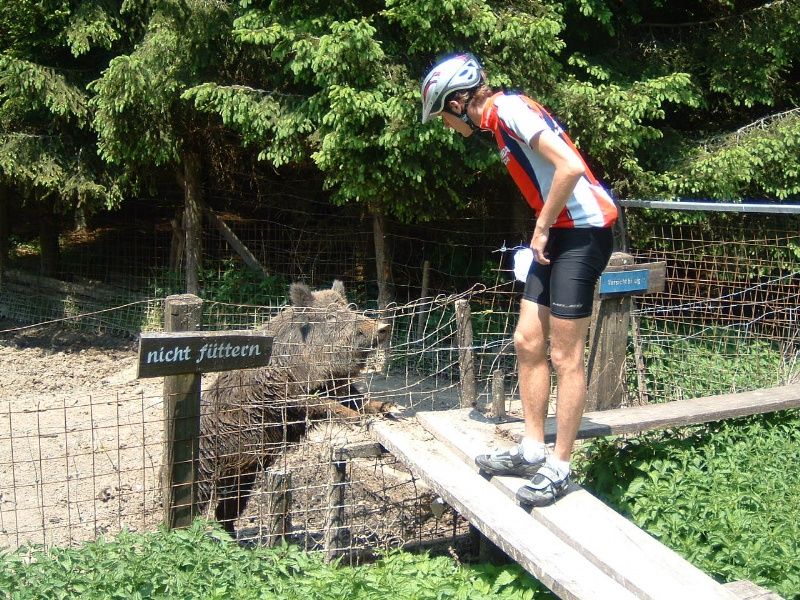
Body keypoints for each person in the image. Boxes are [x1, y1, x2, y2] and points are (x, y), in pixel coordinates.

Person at [421, 53, 617, 507]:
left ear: (456, 104)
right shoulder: (496, 123)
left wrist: (541, 227)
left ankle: (561, 467)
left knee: (566, 355)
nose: (446, 126)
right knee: (527, 341)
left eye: (442, 116)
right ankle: (532, 450)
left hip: (582, 234)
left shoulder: (509, 110)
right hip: (556, 235)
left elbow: (568, 166)